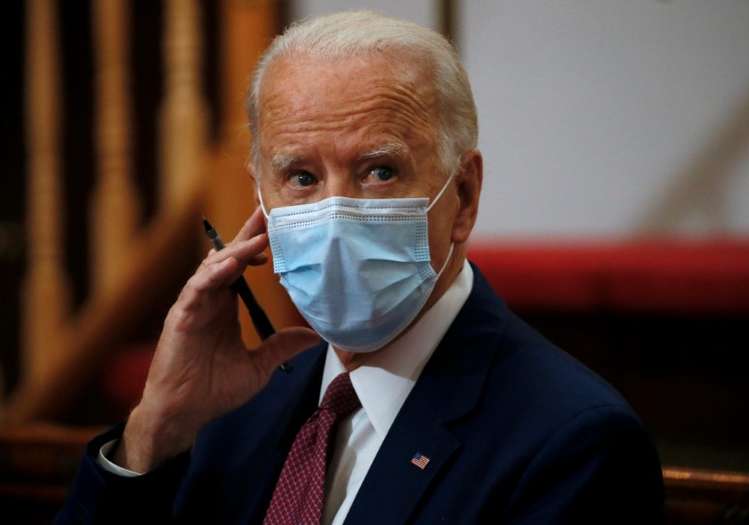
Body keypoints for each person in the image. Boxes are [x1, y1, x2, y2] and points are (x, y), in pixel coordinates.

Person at [57, 11, 663, 524]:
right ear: (260, 199)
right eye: (300, 177)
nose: (335, 214)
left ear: (465, 196)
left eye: (379, 170)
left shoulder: (573, 442)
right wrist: (153, 431)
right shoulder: (226, 411)